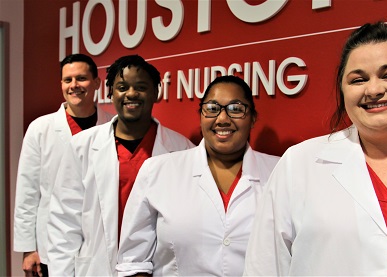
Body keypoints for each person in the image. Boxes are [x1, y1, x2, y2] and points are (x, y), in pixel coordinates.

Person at [243, 22, 387, 276]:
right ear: (343, 92)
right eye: (358, 79)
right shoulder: (299, 163)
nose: (374, 89)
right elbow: (265, 266)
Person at [116, 75, 279, 276]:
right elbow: (133, 262)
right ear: (200, 115)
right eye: (212, 109)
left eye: (236, 109)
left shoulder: (279, 172)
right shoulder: (157, 171)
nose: (222, 119)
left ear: (253, 118)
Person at [47, 55, 195, 276]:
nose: (131, 94)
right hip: (97, 267)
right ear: (110, 93)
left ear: (156, 93)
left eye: (141, 87)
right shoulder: (81, 146)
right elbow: (64, 222)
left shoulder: (182, 149)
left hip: (157, 268)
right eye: (122, 87)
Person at [13, 53, 113, 277]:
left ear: (97, 82)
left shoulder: (112, 126)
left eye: (81, 79)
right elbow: (27, 191)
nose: (74, 86)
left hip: (99, 243)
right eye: (68, 80)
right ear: (61, 84)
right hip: (51, 243)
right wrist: (28, 249)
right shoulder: (40, 128)